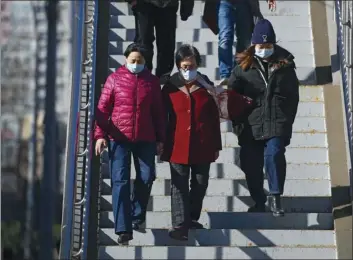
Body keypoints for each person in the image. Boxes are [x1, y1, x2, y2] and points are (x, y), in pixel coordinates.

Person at [94, 43, 166, 243]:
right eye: (132, 60)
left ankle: (136, 216)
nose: (136, 64)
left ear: (145, 62)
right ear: (126, 60)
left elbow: (158, 113)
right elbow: (102, 110)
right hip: (119, 139)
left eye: (140, 61)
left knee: (146, 176)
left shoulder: (151, 82)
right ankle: (123, 228)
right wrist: (100, 135)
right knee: (120, 181)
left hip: (146, 138)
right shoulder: (114, 80)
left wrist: (161, 139)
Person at [228, 19, 299, 217]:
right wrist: (237, 123)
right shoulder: (242, 68)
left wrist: (286, 121)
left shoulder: (285, 66)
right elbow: (231, 98)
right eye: (260, 46)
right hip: (250, 123)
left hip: (277, 122)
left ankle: (275, 197)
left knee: (274, 154)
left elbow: (293, 97)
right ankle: (259, 200)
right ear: (253, 45)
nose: (264, 49)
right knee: (251, 164)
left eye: (268, 46)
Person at [160, 44, 222, 241]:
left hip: (203, 142)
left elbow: (214, 118)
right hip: (176, 143)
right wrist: (159, 141)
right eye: (184, 66)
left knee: (200, 183)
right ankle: (179, 224)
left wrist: (217, 146)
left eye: (192, 65)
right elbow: (162, 116)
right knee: (179, 184)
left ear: (198, 65)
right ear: (178, 65)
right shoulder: (170, 87)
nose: (188, 70)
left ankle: (192, 217)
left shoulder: (206, 86)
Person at [203, 0, 276, 85]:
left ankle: (238, 73)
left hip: (244, 3)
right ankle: (225, 75)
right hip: (224, 3)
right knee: (225, 38)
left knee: (244, 40)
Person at [125, 0, 195, 83]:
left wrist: (186, 8)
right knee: (143, 44)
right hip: (143, 4)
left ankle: (163, 79)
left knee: (166, 44)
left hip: (168, 5)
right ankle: (143, 79)